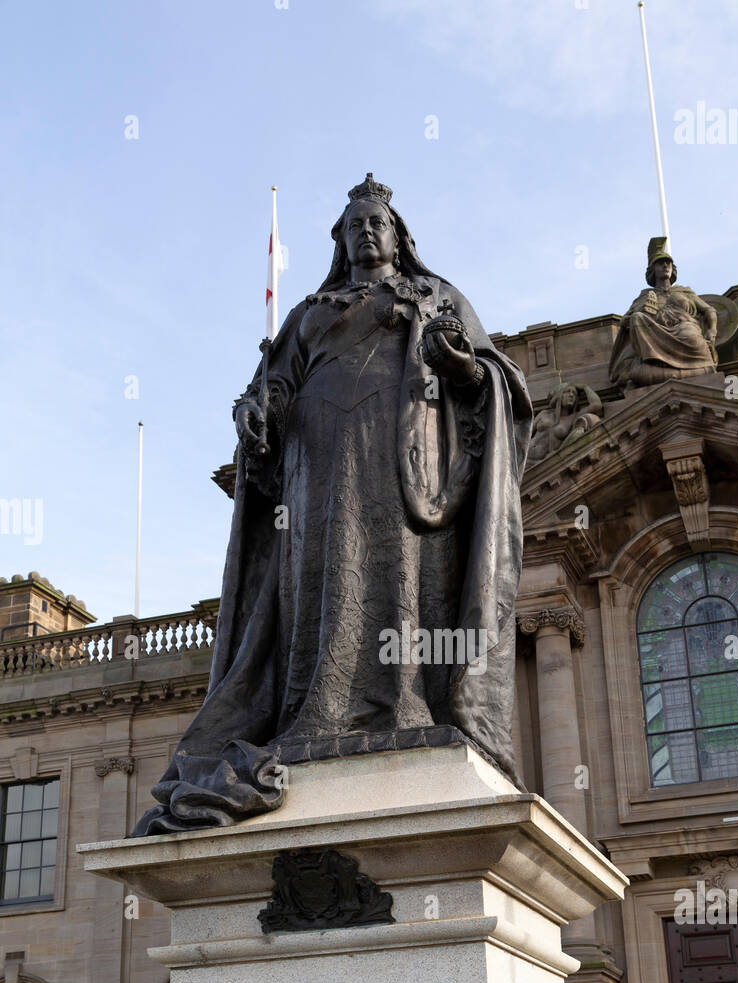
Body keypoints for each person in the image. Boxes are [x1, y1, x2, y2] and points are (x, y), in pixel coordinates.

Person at [132, 174, 532, 835]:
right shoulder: (310, 312)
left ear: (399, 237)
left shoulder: (436, 296)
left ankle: (408, 708)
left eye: (377, 223)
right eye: (355, 227)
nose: (366, 232)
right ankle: (311, 716)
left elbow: (496, 381)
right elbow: (272, 386)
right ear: (342, 242)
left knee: (401, 575)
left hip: (404, 457)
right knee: (320, 574)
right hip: (314, 461)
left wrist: (461, 366)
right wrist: (255, 414)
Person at [609, 237, 717, 388]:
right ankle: (655, 361)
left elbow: (708, 309)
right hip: (656, 336)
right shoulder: (644, 297)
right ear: (652, 269)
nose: (666, 265)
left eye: (668, 262)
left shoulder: (685, 292)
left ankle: (659, 371)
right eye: (660, 263)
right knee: (637, 317)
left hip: (684, 331)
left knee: (691, 335)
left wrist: (712, 329)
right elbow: (626, 321)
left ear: (673, 268)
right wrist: (635, 317)